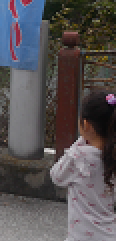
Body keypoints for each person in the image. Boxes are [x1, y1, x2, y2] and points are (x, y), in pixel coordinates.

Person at [50, 90, 116, 241]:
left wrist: (79, 142)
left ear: (86, 125)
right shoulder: (112, 157)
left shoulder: (78, 157)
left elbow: (56, 177)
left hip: (81, 236)